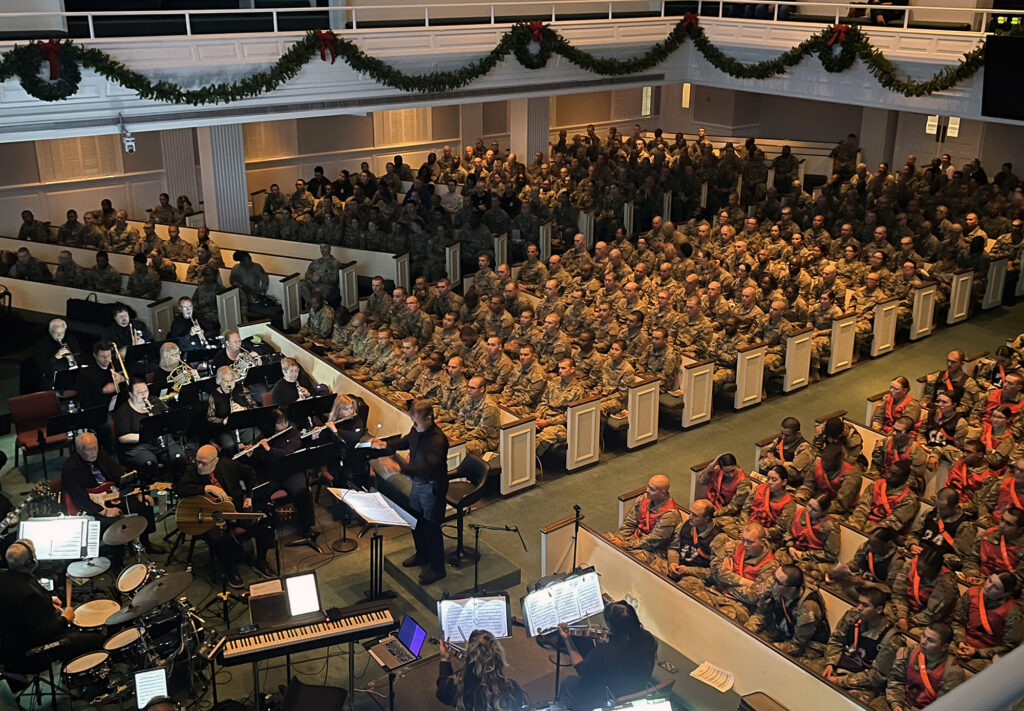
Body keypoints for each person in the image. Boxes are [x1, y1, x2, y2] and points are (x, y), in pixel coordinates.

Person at [369, 401, 450, 584]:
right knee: (416, 521)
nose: (414, 425)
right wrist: (386, 444)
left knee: (432, 527)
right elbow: (407, 441)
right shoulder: (417, 430)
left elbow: (427, 468)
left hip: (432, 487)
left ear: (429, 418)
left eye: (416, 421)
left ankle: (438, 568)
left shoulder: (437, 440)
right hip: (418, 484)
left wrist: (399, 467)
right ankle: (422, 554)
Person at [0, 539, 104, 677]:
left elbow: (18, 602)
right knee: (96, 639)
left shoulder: (4, 575)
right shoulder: (28, 594)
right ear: (32, 562)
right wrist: (65, 618)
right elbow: (45, 633)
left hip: (10, 646)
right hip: (30, 652)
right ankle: (83, 678)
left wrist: (48, 600)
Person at [175, 444, 264, 587]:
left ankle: (260, 561)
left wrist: (249, 496)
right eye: (197, 461)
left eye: (203, 463)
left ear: (215, 461)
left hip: (234, 509)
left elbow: (250, 474)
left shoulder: (228, 465)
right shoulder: (193, 471)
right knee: (218, 537)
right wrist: (207, 487)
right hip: (210, 517)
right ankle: (230, 569)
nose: (199, 466)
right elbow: (181, 489)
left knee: (262, 521)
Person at [61, 432, 164, 554]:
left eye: (95, 448)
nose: (94, 453)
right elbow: (79, 497)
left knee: (145, 504)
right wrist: (104, 511)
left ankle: (146, 543)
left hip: (112, 496)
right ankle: (118, 560)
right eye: (89, 450)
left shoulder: (101, 455)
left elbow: (119, 474)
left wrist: (137, 493)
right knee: (114, 521)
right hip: (93, 504)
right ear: (78, 450)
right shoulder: (70, 467)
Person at [557, 601, 658, 711]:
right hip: (636, 691)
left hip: (608, 698)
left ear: (610, 625)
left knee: (569, 682)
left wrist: (567, 639)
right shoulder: (648, 640)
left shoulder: (602, 653)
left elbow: (581, 668)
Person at [819, 587, 900, 707]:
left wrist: (841, 681)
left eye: (865, 605)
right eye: (859, 603)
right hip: (840, 665)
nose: (859, 608)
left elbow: (876, 677)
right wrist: (830, 663)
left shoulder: (891, 639)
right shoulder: (853, 616)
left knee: (843, 703)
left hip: (862, 684)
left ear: (879, 610)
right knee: (808, 674)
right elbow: (836, 640)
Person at [745, 564, 830, 659]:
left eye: (777, 581)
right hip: (780, 628)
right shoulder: (776, 585)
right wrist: (747, 630)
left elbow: (797, 645)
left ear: (791, 589)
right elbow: (761, 613)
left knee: (765, 655)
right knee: (747, 642)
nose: (772, 581)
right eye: (774, 576)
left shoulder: (808, 609)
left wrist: (769, 647)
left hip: (806, 644)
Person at [436, 630, 529, 710]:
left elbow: (442, 690)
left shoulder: (459, 688)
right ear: (499, 658)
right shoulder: (512, 688)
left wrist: (445, 659)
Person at [951, 571, 1023, 670]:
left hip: (986, 654)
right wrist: (960, 642)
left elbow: (1009, 647)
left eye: (996, 587)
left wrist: (976, 652)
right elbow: (957, 622)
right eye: (989, 580)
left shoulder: (1013, 612)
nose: (988, 586)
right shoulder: (973, 593)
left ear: (1006, 594)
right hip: (963, 642)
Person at [885, 622, 964, 710]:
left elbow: (943, 706)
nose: (923, 641)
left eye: (931, 640)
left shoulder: (952, 672)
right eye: (923, 635)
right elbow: (896, 680)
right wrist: (896, 704)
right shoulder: (910, 652)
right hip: (902, 701)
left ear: (944, 646)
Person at [607, 474, 682, 564]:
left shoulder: (669, 514)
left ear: (663, 493)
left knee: (626, 560)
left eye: (652, 489)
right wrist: (618, 538)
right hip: (635, 539)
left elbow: (653, 541)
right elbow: (630, 522)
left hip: (653, 550)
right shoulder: (644, 498)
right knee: (606, 542)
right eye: (648, 486)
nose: (647, 490)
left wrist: (624, 545)